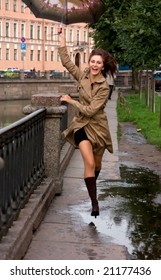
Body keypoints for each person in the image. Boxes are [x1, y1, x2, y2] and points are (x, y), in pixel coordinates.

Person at [59, 29, 117, 218]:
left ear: (102, 66)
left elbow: (92, 110)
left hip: (98, 127)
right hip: (81, 126)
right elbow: (67, 62)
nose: (94, 65)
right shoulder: (82, 76)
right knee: (89, 162)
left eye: (98, 63)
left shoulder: (104, 86)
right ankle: (94, 202)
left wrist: (71, 101)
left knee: (96, 165)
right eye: (92, 61)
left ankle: (92, 184)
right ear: (89, 62)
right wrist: (62, 38)